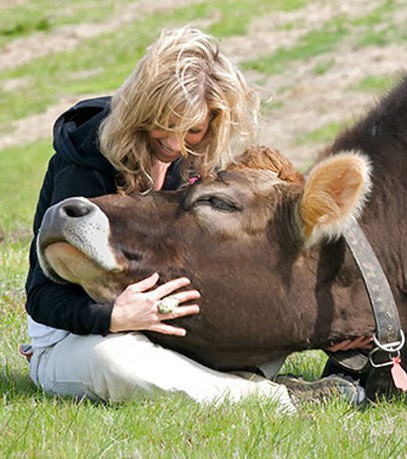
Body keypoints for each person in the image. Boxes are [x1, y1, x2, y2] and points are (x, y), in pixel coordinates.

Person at [23, 25, 363, 413]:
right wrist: (114, 316)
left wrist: (327, 329)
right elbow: (41, 297)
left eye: (193, 131)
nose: (173, 144)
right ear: (142, 109)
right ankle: (275, 398)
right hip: (81, 335)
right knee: (116, 363)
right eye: (164, 124)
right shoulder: (86, 160)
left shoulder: (197, 162)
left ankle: (222, 376)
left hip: (171, 330)